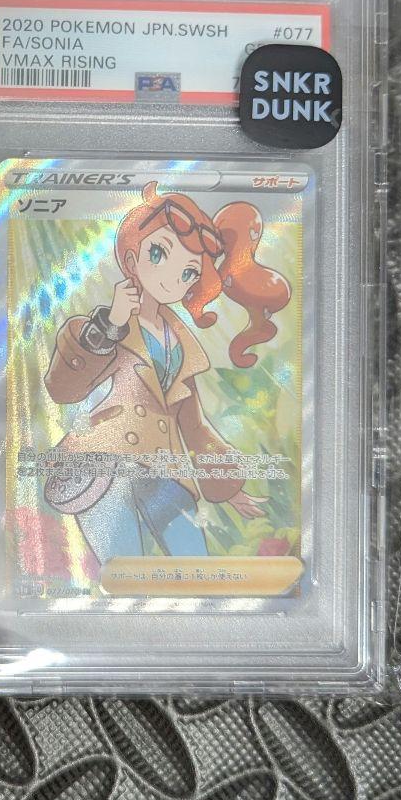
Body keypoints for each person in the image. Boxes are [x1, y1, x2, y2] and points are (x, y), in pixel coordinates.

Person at [43, 180, 291, 564]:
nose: (174, 277)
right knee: (125, 573)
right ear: (131, 261)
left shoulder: (181, 345)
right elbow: (63, 389)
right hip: (103, 470)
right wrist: (111, 323)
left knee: (194, 564)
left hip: (163, 470)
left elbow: (195, 426)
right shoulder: (100, 327)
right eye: (158, 253)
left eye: (189, 271)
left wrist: (227, 487)